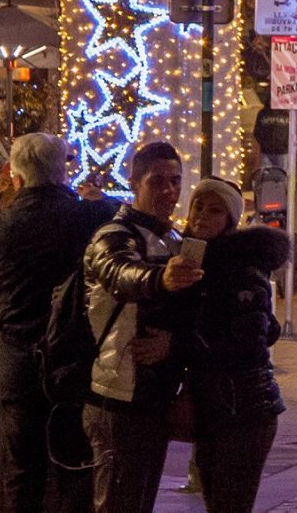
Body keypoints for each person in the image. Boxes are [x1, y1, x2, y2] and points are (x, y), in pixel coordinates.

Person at [0, 133, 122, 513]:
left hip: (18, 355)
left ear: (16, 178)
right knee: (73, 462)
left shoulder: (0, 227)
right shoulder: (91, 216)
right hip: (73, 358)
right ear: (62, 172)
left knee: (20, 465)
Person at [81, 142, 203, 513]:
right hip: (116, 394)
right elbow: (120, 273)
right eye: (157, 181)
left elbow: (188, 318)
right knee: (117, 500)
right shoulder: (114, 236)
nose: (169, 191)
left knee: (137, 498)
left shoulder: (176, 240)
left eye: (176, 181)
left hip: (154, 395)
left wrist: (173, 343)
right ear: (134, 183)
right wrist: (161, 278)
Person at [181, 179, 287, 513]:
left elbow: (247, 340)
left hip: (245, 408)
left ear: (231, 219)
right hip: (213, 407)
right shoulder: (193, 257)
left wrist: (179, 342)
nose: (202, 217)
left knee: (229, 504)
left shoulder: (241, 268)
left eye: (215, 211)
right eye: (198, 206)